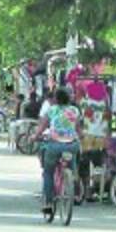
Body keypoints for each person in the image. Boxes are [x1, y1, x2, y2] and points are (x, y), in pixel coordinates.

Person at [34, 88, 82, 217]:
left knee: (48, 172)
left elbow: (42, 127)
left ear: (56, 99)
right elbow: (78, 129)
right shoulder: (75, 110)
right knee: (72, 166)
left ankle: (48, 203)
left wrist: (35, 136)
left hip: (54, 145)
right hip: (72, 145)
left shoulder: (52, 110)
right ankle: (75, 188)